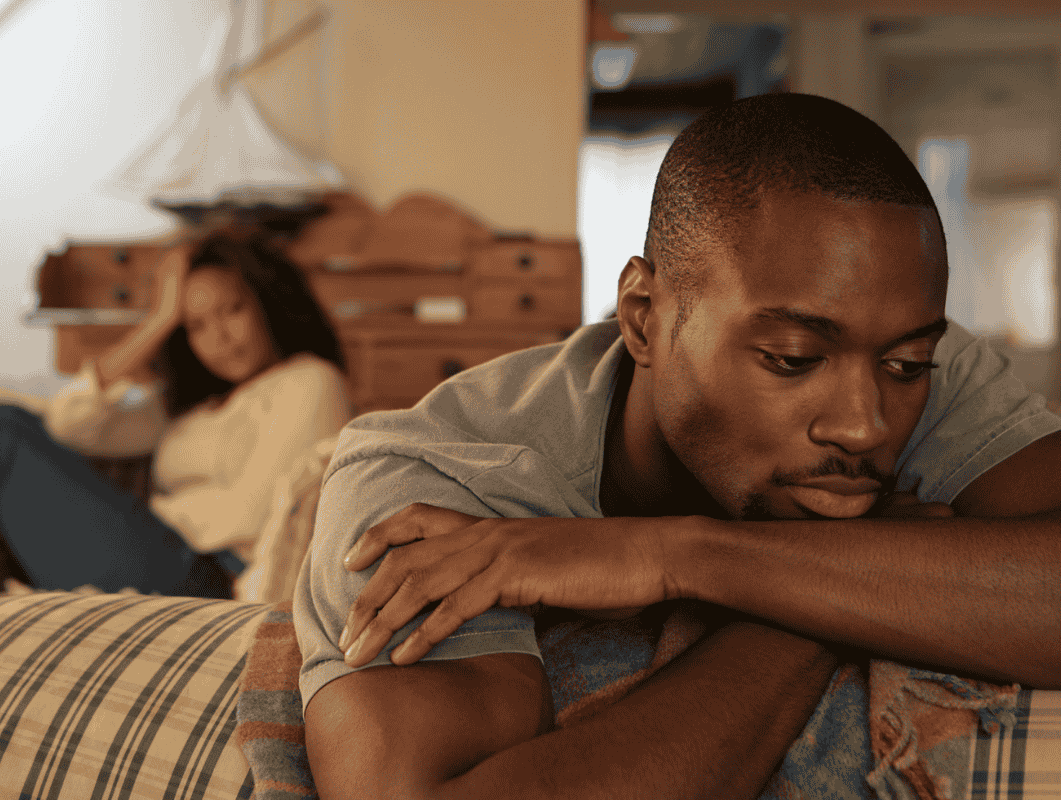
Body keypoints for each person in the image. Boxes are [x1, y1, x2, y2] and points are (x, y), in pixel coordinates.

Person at [296, 94, 1061, 798]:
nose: (865, 425)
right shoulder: (437, 481)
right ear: (642, 318)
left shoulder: (912, 372)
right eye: (793, 358)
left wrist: (680, 556)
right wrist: (828, 606)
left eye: (906, 364)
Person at [0, 233, 353, 598]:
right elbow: (69, 425)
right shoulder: (189, 407)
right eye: (196, 326)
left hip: (209, 574)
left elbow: (256, 516)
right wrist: (158, 320)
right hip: (159, 550)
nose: (219, 337)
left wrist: (158, 514)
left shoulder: (311, 380)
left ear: (267, 302)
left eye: (233, 310)